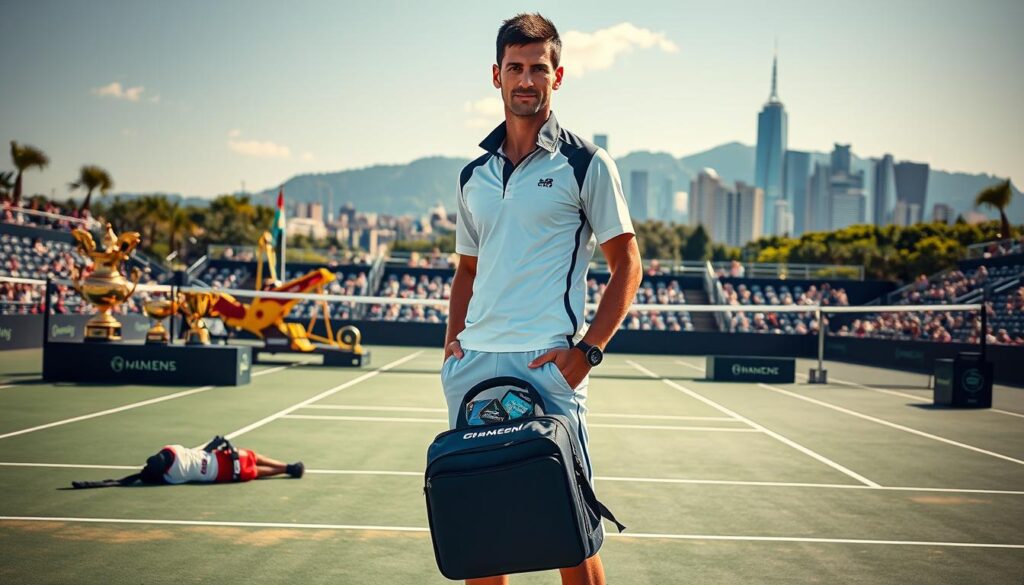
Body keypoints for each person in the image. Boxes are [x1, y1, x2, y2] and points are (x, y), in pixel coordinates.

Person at [442, 13, 642, 585]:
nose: (526, 79)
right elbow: (467, 270)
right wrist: (452, 345)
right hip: (473, 365)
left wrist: (587, 353)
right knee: (481, 529)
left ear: (558, 76)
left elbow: (628, 265)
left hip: (547, 365)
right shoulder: (473, 175)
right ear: (497, 76)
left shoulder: (586, 164)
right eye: (515, 68)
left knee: (568, 531)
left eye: (538, 68)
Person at [71, 437, 304, 488]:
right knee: (251, 457)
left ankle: (287, 469)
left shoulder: (171, 478)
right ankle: (287, 466)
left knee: (251, 470)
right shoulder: (172, 450)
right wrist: (217, 443)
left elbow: (141, 477)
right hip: (218, 461)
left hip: (219, 474)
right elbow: (198, 452)